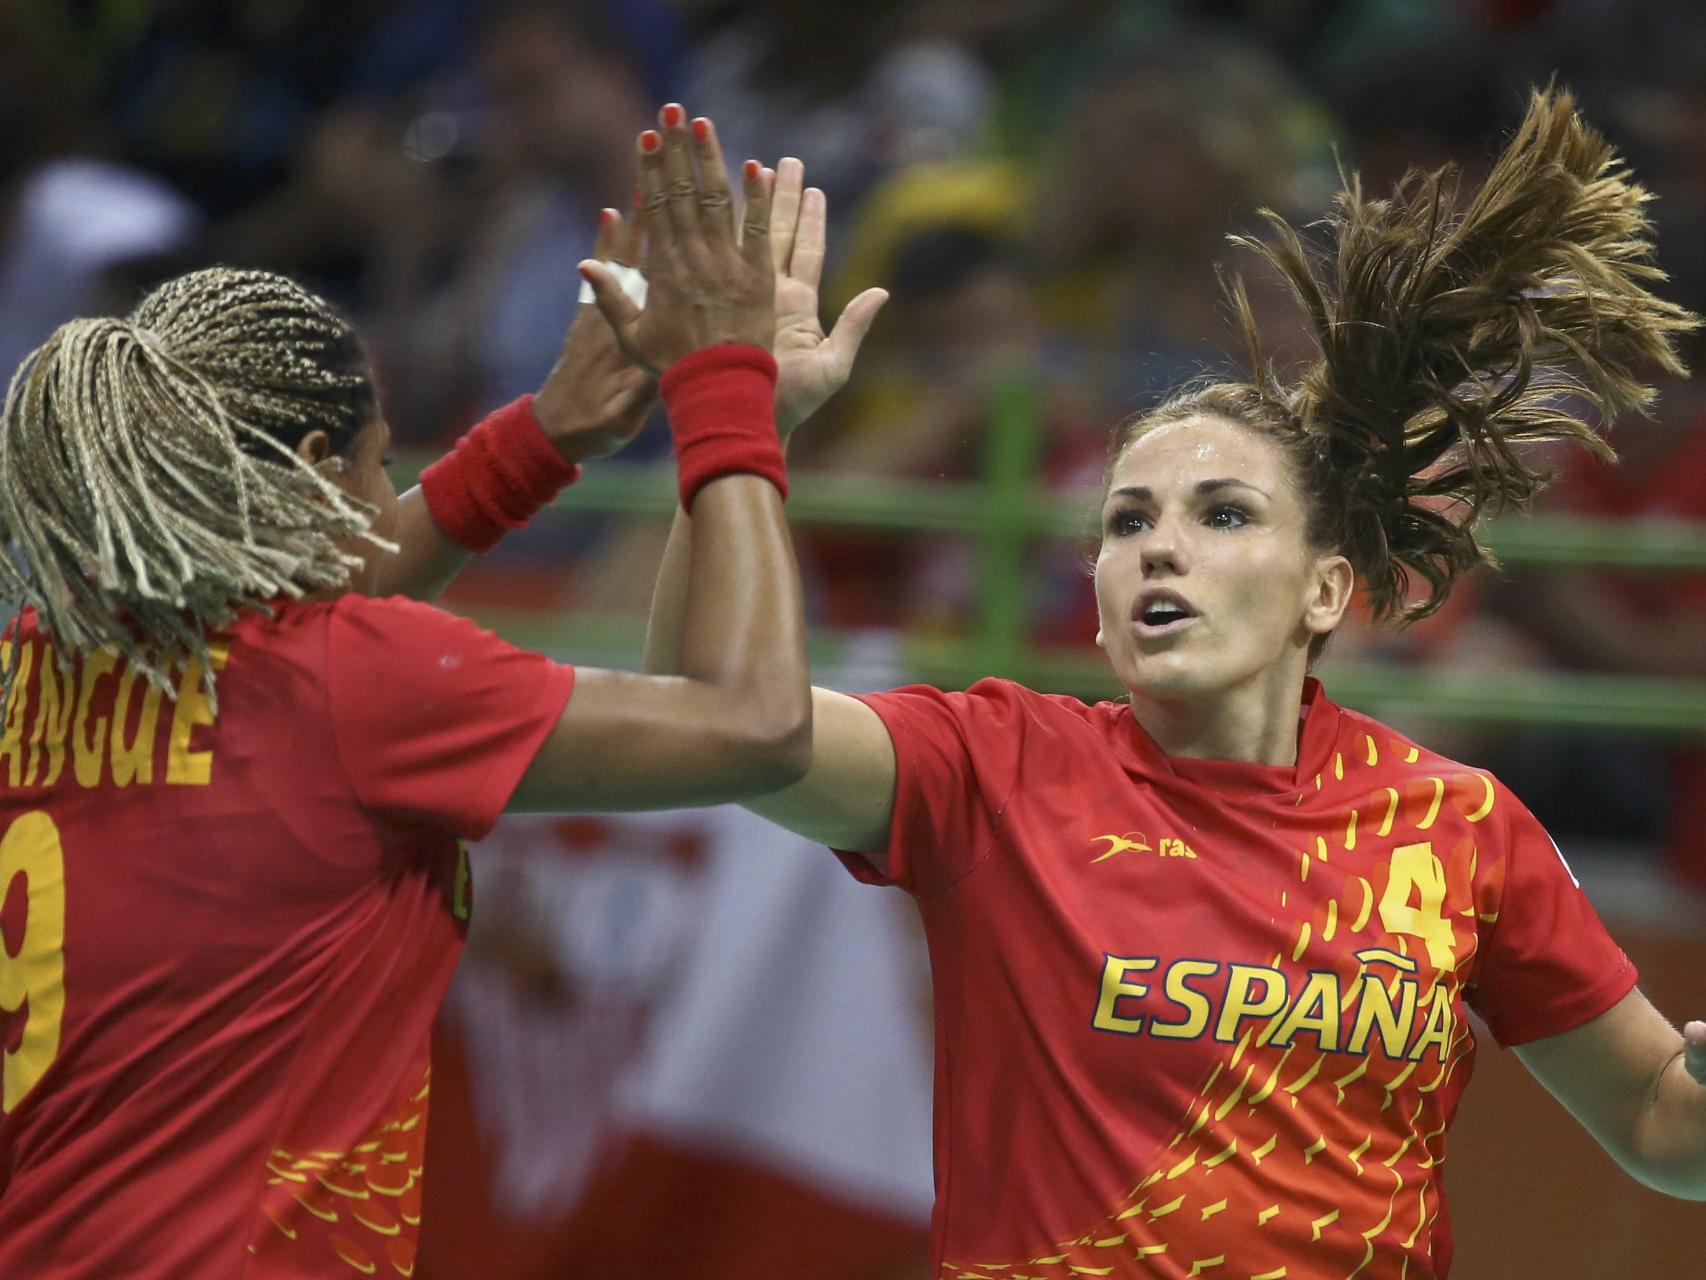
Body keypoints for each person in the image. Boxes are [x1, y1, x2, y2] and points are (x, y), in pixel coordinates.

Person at [644, 88, 1706, 1277]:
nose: (1157, 544)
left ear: (1322, 589)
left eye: (1221, 513)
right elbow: (710, 711)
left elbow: (1663, 1127)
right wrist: (736, 417)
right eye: (1125, 520)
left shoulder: (1458, 827)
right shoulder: (995, 764)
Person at [0, 109, 877, 1280]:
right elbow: (756, 725)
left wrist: (546, 435)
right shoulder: (354, 681)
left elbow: (304, 619)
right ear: (316, 473)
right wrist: (729, 397)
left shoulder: (41, 652)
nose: (390, 488)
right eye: (380, 463)